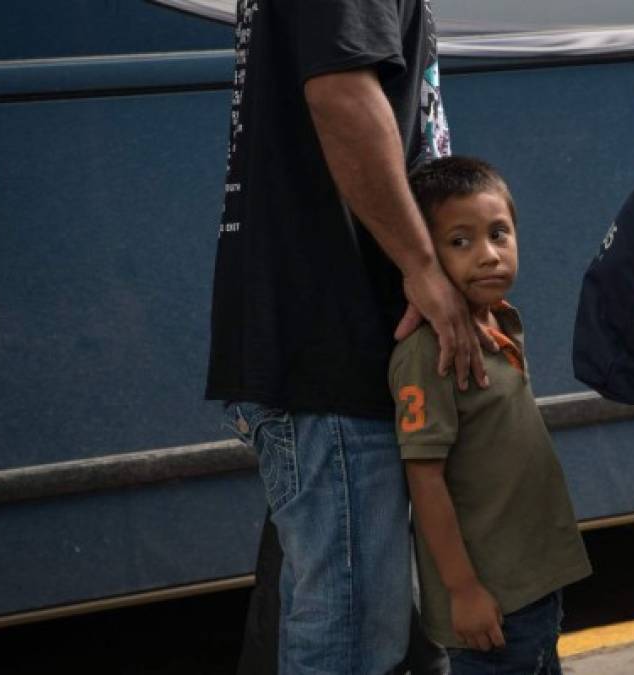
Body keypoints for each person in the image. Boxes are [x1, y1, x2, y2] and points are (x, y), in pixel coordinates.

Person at [206, 1, 492, 673]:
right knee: (352, 637)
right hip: (335, 332)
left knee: (359, 617)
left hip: (329, 335)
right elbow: (340, 91)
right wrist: (422, 267)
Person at [390, 156, 592, 673]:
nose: (488, 255)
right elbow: (424, 478)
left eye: (499, 234)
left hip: (535, 587)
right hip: (493, 609)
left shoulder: (496, 322)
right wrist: (464, 592)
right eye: (460, 241)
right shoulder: (428, 351)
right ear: (424, 257)